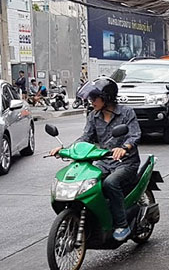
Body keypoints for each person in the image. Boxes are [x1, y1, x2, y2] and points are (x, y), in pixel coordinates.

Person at [49, 78, 142, 241]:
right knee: (87, 182)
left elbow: (135, 134)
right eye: (90, 98)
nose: (91, 101)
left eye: (94, 98)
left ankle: (122, 224)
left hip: (126, 162)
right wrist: (66, 150)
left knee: (110, 183)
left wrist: (124, 148)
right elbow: (86, 137)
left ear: (107, 98)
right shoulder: (93, 116)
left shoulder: (126, 112)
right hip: (104, 162)